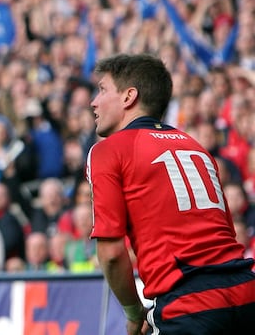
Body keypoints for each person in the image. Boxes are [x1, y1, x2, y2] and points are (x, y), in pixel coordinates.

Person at [87, 53, 255, 334]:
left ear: (129, 97)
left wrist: (133, 312)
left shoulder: (109, 150)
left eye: (102, 89)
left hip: (190, 304)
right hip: (246, 292)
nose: (94, 101)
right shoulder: (196, 146)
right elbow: (226, 231)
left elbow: (112, 253)